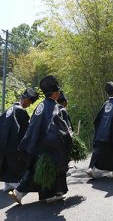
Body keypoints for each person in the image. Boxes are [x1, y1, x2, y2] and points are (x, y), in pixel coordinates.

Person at [9, 76, 73, 204]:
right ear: (54, 94)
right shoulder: (56, 108)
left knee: (34, 169)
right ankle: (51, 195)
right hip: (49, 147)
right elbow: (59, 130)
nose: (59, 93)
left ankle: (19, 193)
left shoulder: (41, 105)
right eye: (58, 91)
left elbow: (32, 126)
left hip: (35, 145)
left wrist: (29, 145)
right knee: (56, 167)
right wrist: (69, 140)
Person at [0, 88, 39, 192]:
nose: (30, 105)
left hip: (3, 143)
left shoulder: (10, 108)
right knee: (17, 163)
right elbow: (26, 131)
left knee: (6, 163)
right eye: (30, 102)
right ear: (25, 99)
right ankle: (14, 183)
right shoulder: (21, 111)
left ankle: (7, 184)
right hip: (13, 144)